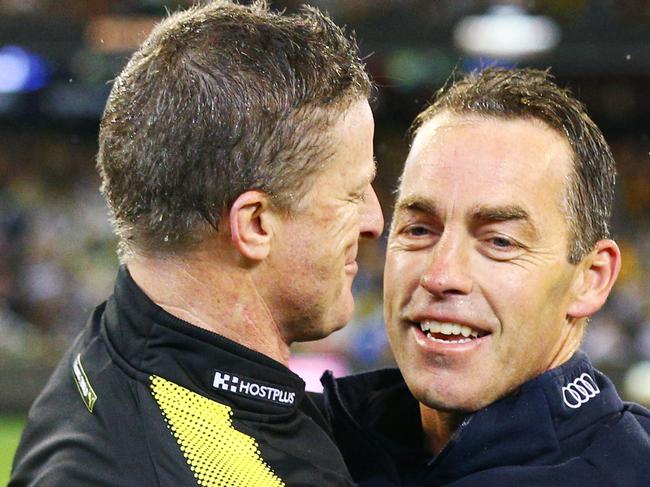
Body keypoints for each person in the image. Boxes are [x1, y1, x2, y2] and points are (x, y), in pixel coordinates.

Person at [10, 1, 383, 486]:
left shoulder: (116, 349)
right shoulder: (206, 468)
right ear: (254, 225)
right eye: (353, 194)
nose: (375, 220)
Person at [321, 68, 650, 486]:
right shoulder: (309, 447)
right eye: (419, 230)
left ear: (591, 279)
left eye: (499, 241)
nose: (441, 276)